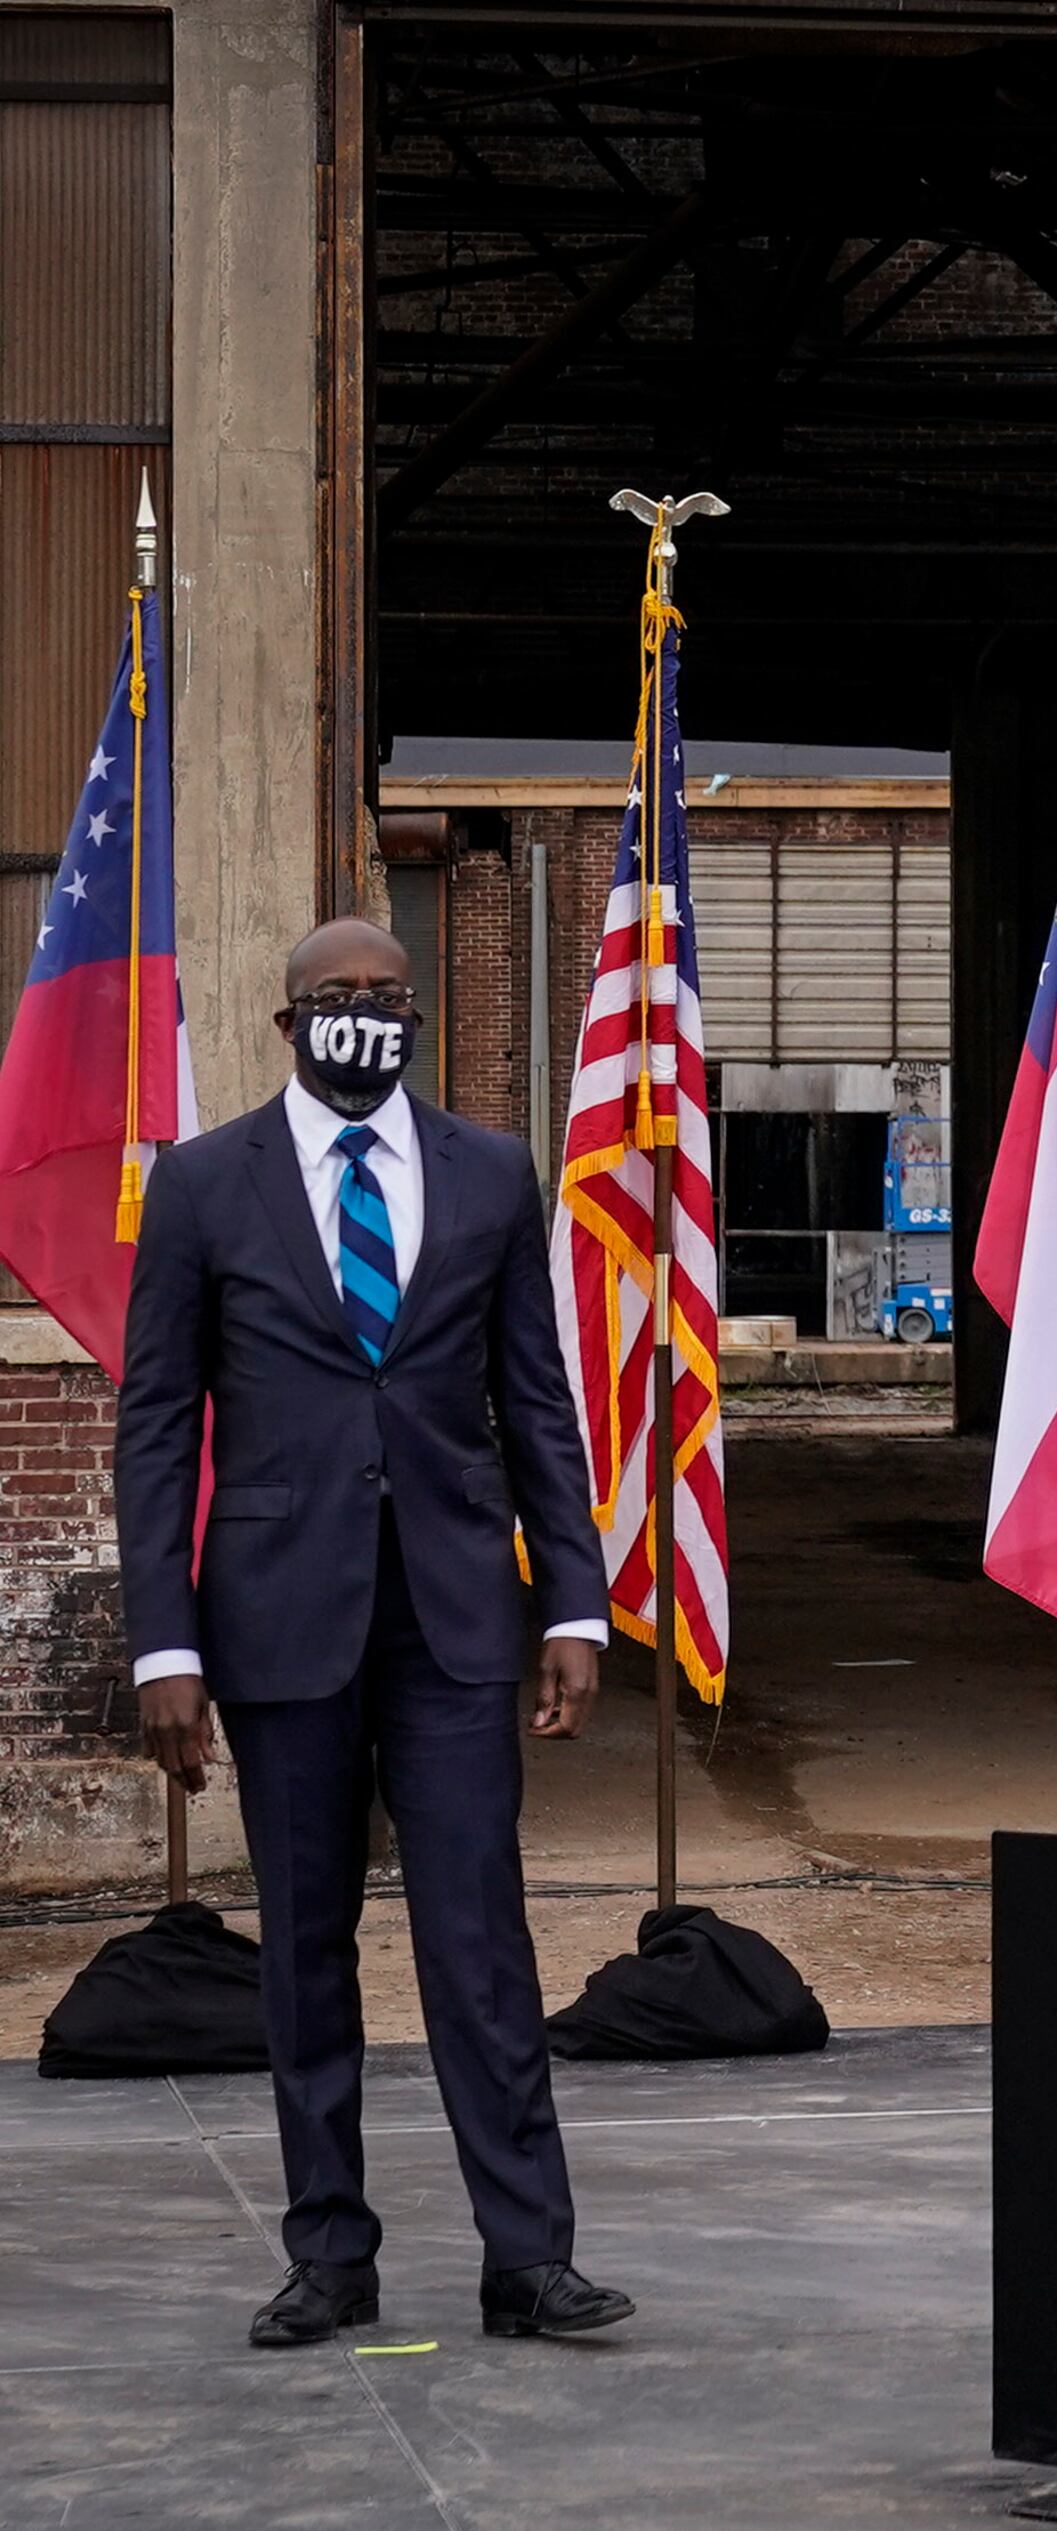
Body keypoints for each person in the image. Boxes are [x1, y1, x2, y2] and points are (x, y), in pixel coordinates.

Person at [118, 916, 635, 2347]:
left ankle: (528, 2259)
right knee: (304, 1949)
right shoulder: (206, 1183)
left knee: (482, 1943)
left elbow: (537, 1399)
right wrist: (165, 1644)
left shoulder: (487, 1174)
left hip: (456, 1619)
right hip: (279, 1624)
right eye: (338, 998)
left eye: (389, 996)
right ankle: (329, 2256)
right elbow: (159, 1423)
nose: (367, 1014)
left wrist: (573, 1603)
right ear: (287, 1023)